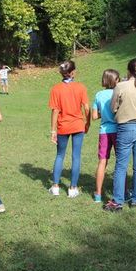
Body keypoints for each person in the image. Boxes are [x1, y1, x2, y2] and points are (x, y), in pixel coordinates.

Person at [103, 58, 136, 212]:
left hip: (126, 127)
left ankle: (118, 201)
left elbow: (113, 108)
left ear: (128, 70)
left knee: (121, 165)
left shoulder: (120, 86)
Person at [48, 60, 90, 198]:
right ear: (72, 72)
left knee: (60, 155)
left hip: (62, 126)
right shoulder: (81, 87)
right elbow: (87, 107)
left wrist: (53, 130)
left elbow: (55, 111)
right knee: (76, 156)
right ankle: (73, 188)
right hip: (78, 125)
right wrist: (87, 123)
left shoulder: (56, 89)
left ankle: (55, 186)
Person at [92, 69, 120, 203]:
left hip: (104, 131)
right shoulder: (118, 93)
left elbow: (94, 116)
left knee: (102, 161)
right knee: (121, 162)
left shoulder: (98, 95)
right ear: (116, 80)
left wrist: (103, 114)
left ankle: (98, 194)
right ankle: (123, 191)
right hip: (118, 130)